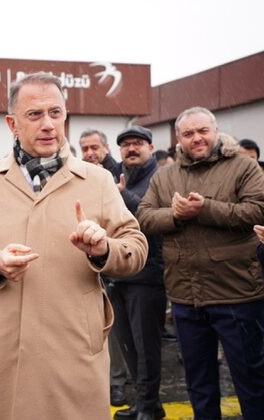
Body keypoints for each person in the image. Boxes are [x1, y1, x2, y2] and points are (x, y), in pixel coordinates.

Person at [0, 72, 148, 419]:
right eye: (35, 114)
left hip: (72, 340)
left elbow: (136, 248)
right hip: (2, 337)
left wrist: (103, 249)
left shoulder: (96, 180)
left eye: (56, 113)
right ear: (12, 123)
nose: (48, 124)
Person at [137, 106, 264, 420]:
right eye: (189, 133)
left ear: (216, 132)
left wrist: (205, 209)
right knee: (199, 384)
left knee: (252, 382)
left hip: (238, 293)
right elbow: (144, 217)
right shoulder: (165, 176)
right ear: (179, 138)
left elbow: (258, 211)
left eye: (203, 131)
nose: (197, 138)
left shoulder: (244, 167)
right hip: (185, 297)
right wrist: (175, 215)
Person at [107, 127, 167, 420]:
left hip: (147, 276)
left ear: (151, 147)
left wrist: (123, 195)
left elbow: (150, 217)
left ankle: (148, 407)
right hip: (119, 275)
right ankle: (146, 404)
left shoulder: (159, 179)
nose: (131, 149)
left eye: (138, 144)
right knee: (128, 345)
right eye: (126, 145)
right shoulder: (120, 175)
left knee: (146, 349)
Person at [81, 128, 129, 406]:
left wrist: (120, 195)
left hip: (116, 265)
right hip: (87, 267)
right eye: (85, 148)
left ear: (106, 148)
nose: (90, 153)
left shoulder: (117, 175)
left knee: (116, 333)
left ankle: (117, 383)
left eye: (94, 148)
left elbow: (134, 225)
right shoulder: (75, 175)